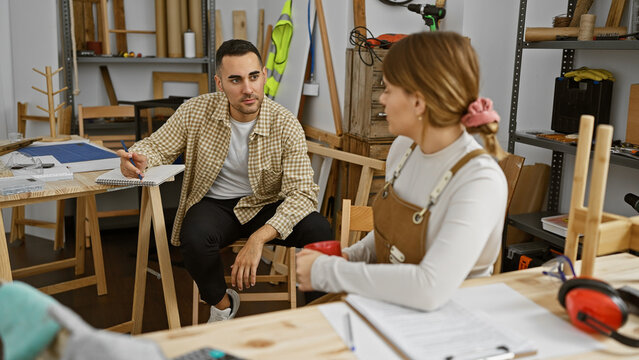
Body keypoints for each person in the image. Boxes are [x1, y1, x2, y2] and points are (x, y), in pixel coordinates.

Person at [117, 39, 332, 322]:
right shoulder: (196, 111)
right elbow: (157, 146)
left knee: (321, 231)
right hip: (216, 204)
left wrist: (258, 239)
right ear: (219, 84)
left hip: (266, 203)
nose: (248, 89)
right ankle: (221, 306)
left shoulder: (285, 123)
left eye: (254, 77)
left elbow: (303, 194)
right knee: (192, 237)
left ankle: (321, 318)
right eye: (235, 80)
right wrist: (137, 158)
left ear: (264, 75)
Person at [296, 31, 508, 311]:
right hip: (392, 307)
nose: (382, 99)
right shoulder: (404, 148)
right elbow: (390, 239)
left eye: (387, 89)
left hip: (452, 324)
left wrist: (329, 272)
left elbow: (429, 288)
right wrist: (350, 257)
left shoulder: (479, 181)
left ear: (418, 102)